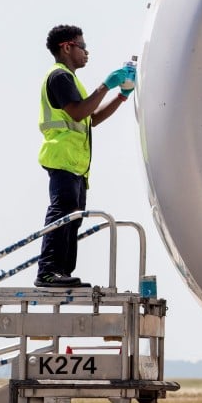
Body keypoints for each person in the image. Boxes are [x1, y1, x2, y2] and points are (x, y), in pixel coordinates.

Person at [35, 24, 135, 288]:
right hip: (63, 158)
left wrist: (121, 96)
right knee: (62, 214)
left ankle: (62, 272)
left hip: (76, 164)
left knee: (73, 218)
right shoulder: (59, 77)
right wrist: (105, 85)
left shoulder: (71, 79)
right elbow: (78, 113)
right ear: (67, 47)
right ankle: (48, 272)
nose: (87, 53)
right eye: (83, 47)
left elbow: (92, 118)